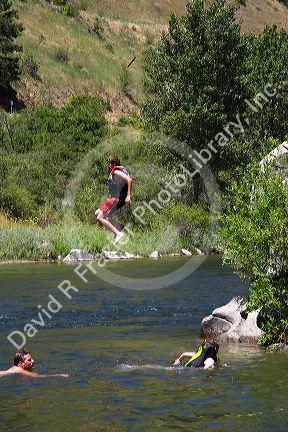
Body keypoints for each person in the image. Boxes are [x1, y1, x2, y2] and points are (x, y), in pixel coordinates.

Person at [95, 155, 133, 244]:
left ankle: (118, 233)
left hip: (117, 198)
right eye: (108, 163)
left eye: (111, 163)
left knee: (100, 217)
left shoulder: (116, 172)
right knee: (97, 213)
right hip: (113, 198)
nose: (109, 164)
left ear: (115, 163)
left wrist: (128, 196)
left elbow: (129, 180)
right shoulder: (113, 172)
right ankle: (119, 226)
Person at [0, 348, 68, 378]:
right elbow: (36, 376)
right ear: (21, 364)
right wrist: (58, 375)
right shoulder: (19, 370)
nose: (33, 361)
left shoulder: (14, 369)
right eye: (29, 360)